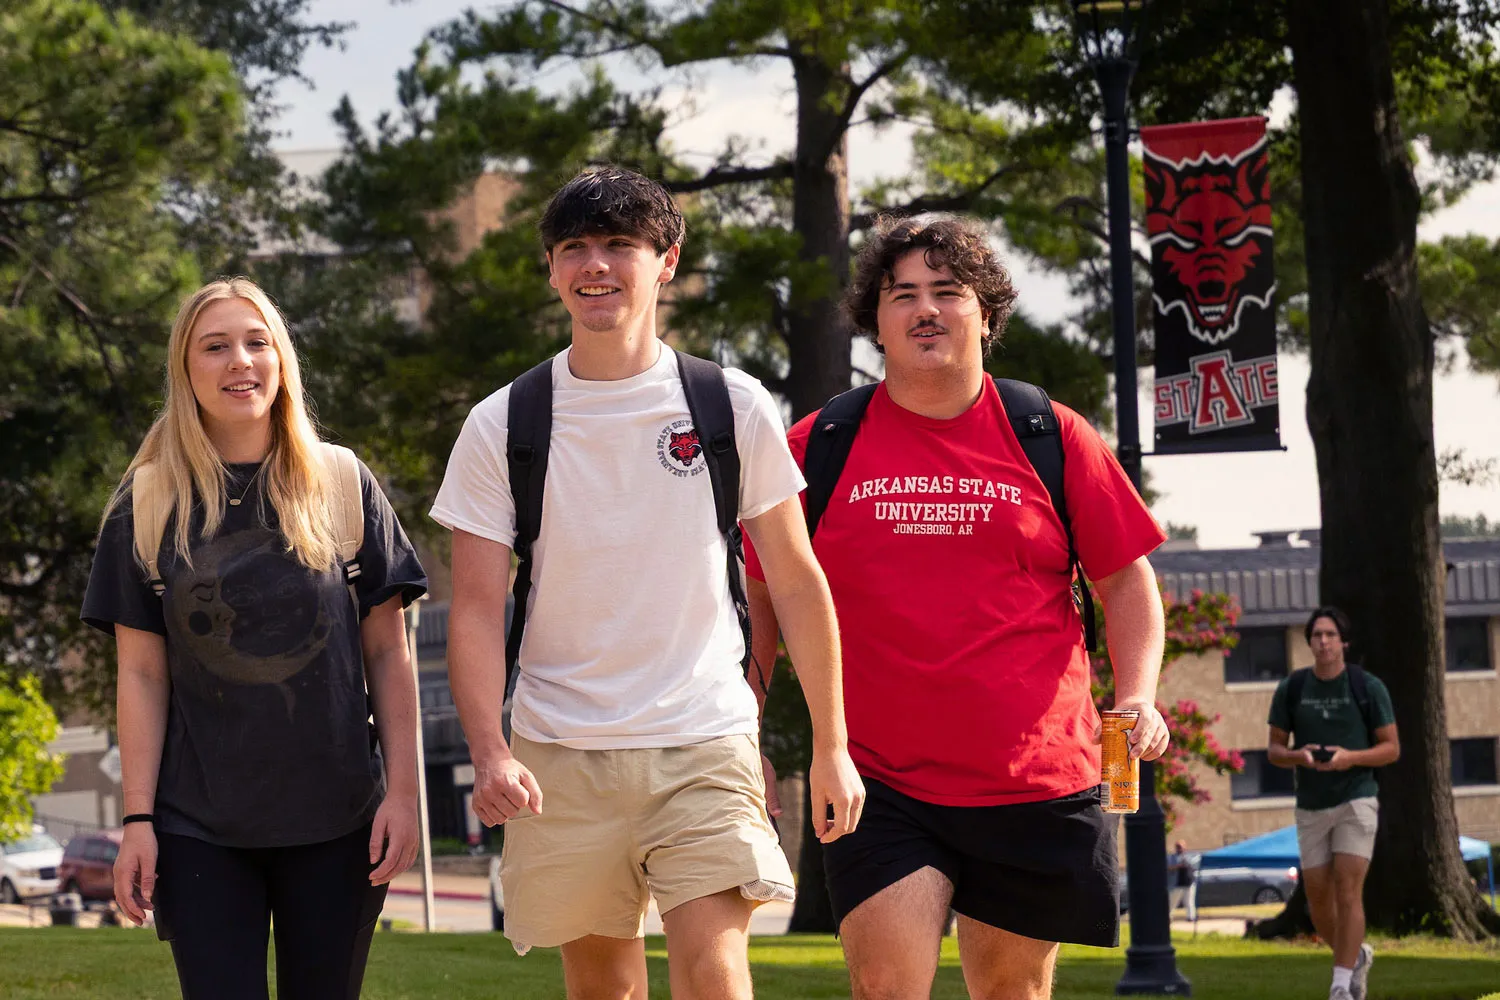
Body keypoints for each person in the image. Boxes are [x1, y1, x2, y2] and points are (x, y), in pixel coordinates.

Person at [431, 165, 863, 1000]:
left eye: (620, 246)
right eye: (575, 249)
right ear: (552, 269)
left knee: (713, 972)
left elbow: (799, 584)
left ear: (666, 260)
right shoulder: (502, 423)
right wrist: (489, 749)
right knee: (605, 989)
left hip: (703, 736)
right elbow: (479, 611)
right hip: (559, 749)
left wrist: (833, 746)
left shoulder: (729, 404)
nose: (596, 266)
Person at [745, 215, 1172, 1000]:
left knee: (1014, 992)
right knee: (885, 986)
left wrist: (1138, 693)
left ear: (987, 313)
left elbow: (1127, 581)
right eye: (901, 294)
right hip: (878, 779)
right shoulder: (821, 443)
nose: (924, 310)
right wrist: (749, 728)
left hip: (1035, 776)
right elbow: (762, 592)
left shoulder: (1050, 432)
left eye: (948, 291)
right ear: (876, 319)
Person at [81, 278, 428, 1000]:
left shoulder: (341, 483)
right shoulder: (146, 503)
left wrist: (404, 793)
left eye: (256, 341)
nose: (240, 360)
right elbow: (141, 677)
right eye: (216, 346)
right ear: (186, 370)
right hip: (196, 827)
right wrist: (137, 821)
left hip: (339, 823)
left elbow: (389, 653)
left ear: (281, 360)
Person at [1268, 606, 1399, 1000]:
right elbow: (1274, 749)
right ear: (1309, 643)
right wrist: (1298, 755)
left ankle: (1341, 986)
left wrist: (1349, 757)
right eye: (1316, 635)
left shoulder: (1367, 687)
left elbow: (1391, 748)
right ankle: (1355, 956)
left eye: (1329, 634)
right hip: (1310, 804)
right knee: (1319, 901)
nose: (1323, 641)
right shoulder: (1292, 688)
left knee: (1348, 889)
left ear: (1343, 641)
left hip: (1356, 798)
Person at [1167, 840, 1196, 917]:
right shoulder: (1171, 857)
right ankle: (1168, 917)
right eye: (1177, 847)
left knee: (1189, 901)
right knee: (1172, 902)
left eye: (1180, 847)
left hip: (1188, 882)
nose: (1179, 848)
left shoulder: (1189, 856)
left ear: (1184, 847)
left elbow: (1194, 867)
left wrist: (1187, 864)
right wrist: (1178, 866)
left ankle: (1190, 917)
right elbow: (1168, 868)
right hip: (1177, 883)